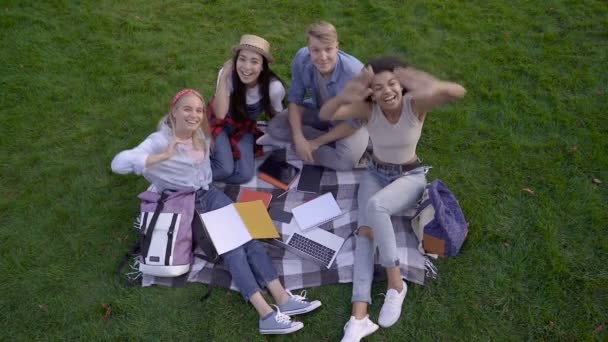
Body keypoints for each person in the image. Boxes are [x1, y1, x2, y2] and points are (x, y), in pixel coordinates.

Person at [111, 89, 321, 335]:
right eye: (187, 109)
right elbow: (118, 163)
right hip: (187, 202)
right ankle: (265, 314)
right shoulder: (159, 140)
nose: (194, 115)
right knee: (233, 246)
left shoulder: (199, 134)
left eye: (199, 110)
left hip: (208, 193)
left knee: (249, 238)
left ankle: (283, 299)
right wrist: (160, 156)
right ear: (174, 110)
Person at [319, 58, 466, 341]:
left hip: (409, 177)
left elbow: (455, 92)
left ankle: (395, 284)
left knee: (376, 206)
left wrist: (417, 77)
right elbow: (328, 113)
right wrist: (352, 90)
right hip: (375, 174)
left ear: (401, 85)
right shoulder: (368, 109)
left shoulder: (415, 105)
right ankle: (358, 317)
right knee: (365, 234)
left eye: (392, 83)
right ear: (370, 92)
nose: (386, 91)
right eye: (377, 87)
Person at [265, 21, 369, 171]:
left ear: (337, 47)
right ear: (308, 49)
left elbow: (354, 123)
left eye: (328, 49)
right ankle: (322, 141)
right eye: (316, 50)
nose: (323, 57)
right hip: (319, 109)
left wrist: (315, 143)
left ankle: (313, 144)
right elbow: (295, 99)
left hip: (346, 122)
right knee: (275, 127)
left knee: (345, 162)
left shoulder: (355, 73)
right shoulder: (302, 58)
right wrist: (299, 138)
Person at [210, 34, 286, 184]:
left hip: (243, 129)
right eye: (242, 59)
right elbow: (219, 113)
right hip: (219, 125)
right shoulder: (228, 76)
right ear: (235, 60)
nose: (246, 67)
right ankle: (186, 179)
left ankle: (202, 176)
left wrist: (282, 137)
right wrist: (224, 75)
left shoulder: (274, 88)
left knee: (244, 175)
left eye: (254, 61)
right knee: (225, 169)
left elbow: (277, 116)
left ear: (263, 66)